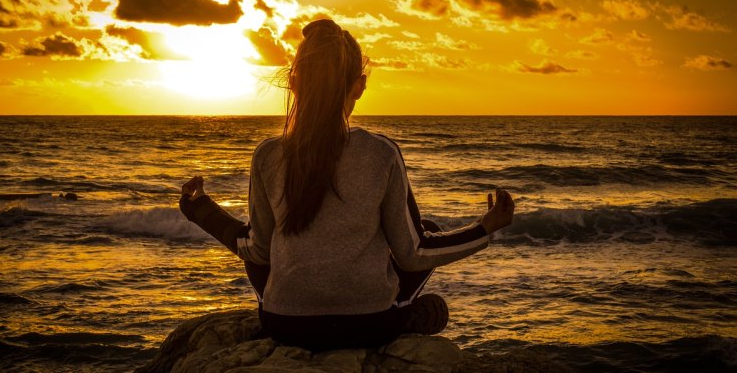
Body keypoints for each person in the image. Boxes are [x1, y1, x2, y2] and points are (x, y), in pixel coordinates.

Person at [179, 18, 514, 351]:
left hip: (285, 325)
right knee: (424, 230)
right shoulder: (380, 153)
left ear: (294, 84)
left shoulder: (267, 155)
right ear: (360, 85)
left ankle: (402, 314)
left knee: (255, 242)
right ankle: (407, 316)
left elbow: (257, 251)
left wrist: (201, 209)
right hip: (368, 326)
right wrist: (485, 228)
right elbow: (413, 254)